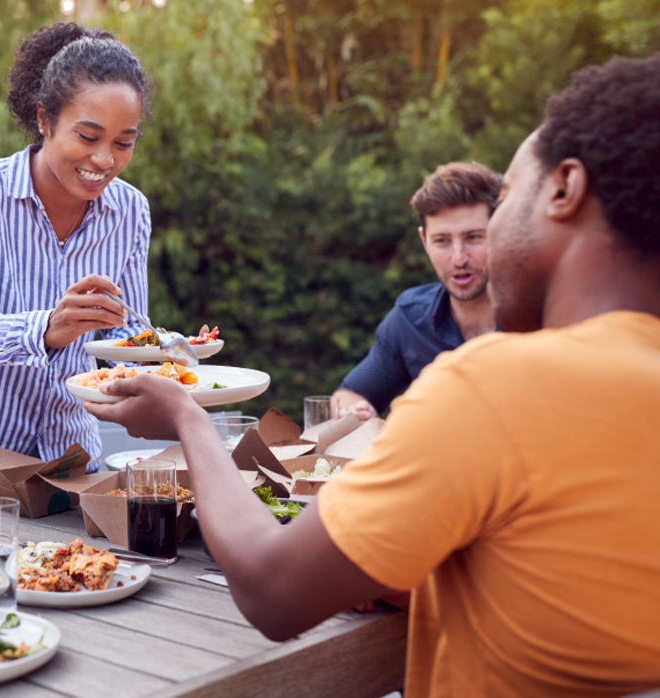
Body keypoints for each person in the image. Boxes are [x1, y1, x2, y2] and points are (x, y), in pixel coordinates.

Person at [85, 52, 660, 698]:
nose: (480, 245)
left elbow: (273, 590)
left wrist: (188, 418)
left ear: (564, 189)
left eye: (504, 201)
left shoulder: (497, 386)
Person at [0, 23, 154, 472]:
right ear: (44, 119)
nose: (105, 160)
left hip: (71, 461)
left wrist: (158, 360)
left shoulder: (131, 211)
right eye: (88, 137)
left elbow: (127, 334)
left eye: (124, 143)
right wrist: (45, 329)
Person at [333, 162, 501, 420]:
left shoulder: (542, 318)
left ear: (501, 233)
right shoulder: (410, 318)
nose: (459, 258)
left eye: (474, 237)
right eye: (442, 241)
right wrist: (355, 412)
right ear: (425, 241)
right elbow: (348, 395)